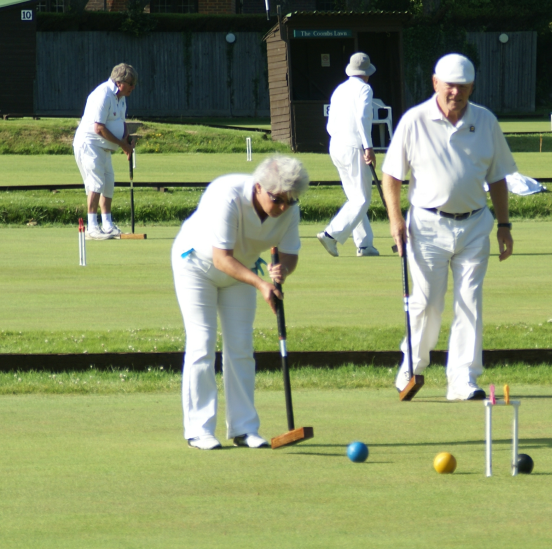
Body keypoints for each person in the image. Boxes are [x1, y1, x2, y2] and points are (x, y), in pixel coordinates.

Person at [382, 54, 517, 401]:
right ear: (435, 83)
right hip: (426, 226)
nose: (455, 92)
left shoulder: (485, 121)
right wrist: (396, 219)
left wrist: (504, 225)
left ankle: (462, 379)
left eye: (462, 86)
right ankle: (411, 367)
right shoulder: (414, 120)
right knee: (426, 302)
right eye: (449, 85)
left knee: (470, 301)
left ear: (471, 87)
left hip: (474, 225)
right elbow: (392, 176)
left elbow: (498, 177)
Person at [171, 155, 310, 450]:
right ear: (259, 187)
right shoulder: (227, 195)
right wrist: (262, 283)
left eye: (291, 201)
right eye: (278, 199)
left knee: (241, 347)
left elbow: (290, 253)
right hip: (196, 264)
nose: (284, 207)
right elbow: (222, 258)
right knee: (202, 342)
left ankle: (244, 428)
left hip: (242, 272)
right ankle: (199, 429)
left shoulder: (289, 210)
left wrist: (282, 269)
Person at [317, 52, 380, 257]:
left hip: (336, 145)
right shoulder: (365, 88)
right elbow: (363, 118)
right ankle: (331, 235)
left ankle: (365, 244)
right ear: (367, 73)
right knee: (361, 199)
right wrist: (368, 147)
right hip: (354, 146)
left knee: (355, 197)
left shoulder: (339, 89)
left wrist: (340, 139)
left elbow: (330, 124)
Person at [73, 63, 138, 239]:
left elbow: (121, 123)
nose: (133, 87)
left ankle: (107, 225)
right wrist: (122, 145)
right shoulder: (103, 95)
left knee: (108, 182)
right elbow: (99, 128)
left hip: (104, 146)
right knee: (95, 183)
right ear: (119, 82)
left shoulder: (121, 97)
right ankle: (92, 227)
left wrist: (127, 140)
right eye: (130, 83)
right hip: (89, 144)